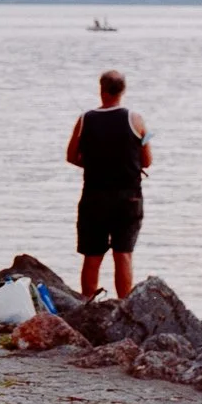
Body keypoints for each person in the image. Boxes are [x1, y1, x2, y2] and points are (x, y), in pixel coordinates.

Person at [66, 70, 151, 300]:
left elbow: (71, 156)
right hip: (129, 198)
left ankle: (88, 306)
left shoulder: (85, 119)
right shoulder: (136, 119)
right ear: (123, 91)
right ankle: (124, 307)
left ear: (101, 89)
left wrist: (94, 165)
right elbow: (147, 160)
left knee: (92, 257)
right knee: (123, 254)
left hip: (94, 197)